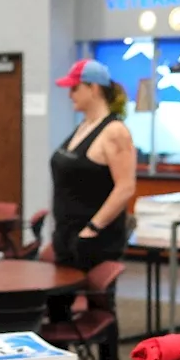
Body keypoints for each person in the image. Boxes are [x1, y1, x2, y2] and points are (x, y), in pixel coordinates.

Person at [50, 59, 137, 272]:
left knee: (93, 303)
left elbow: (125, 187)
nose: (70, 94)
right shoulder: (84, 126)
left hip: (93, 243)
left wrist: (92, 228)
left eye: (75, 88)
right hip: (66, 236)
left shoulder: (115, 132)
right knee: (58, 302)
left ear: (94, 88)